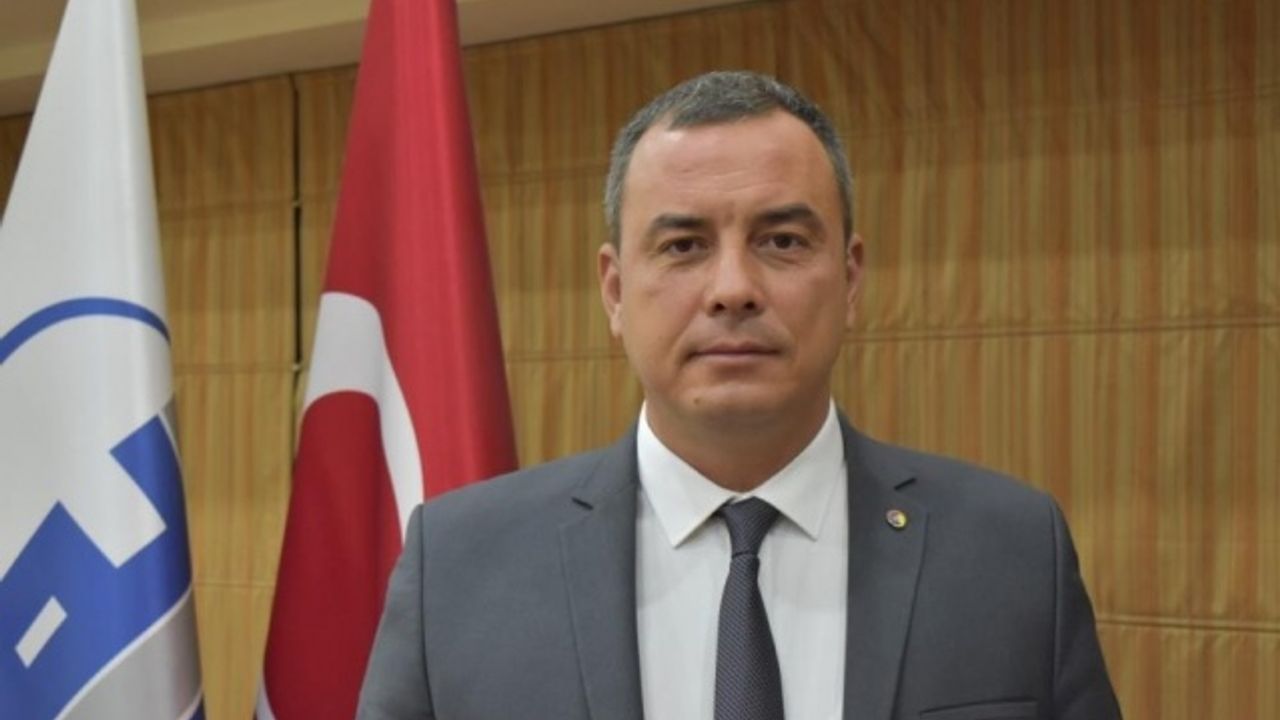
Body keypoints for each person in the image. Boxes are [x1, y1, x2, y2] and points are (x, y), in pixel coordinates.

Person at [357, 71, 1122, 720]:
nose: (733, 288)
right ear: (615, 291)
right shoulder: (458, 567)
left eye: (781, 241)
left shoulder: (1012, 551)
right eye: (683, 246)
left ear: (850, 279)